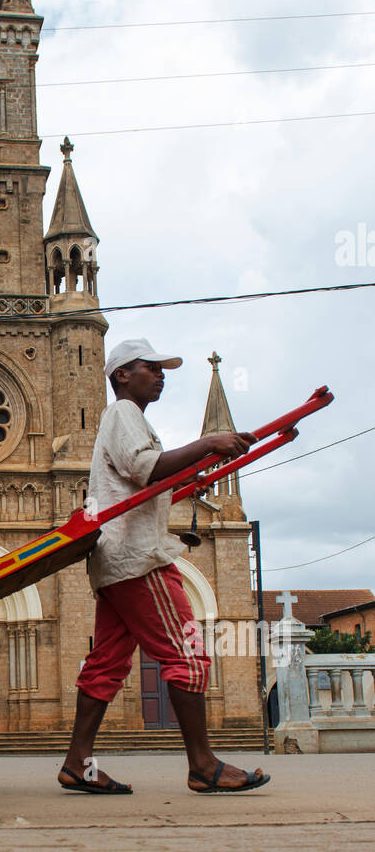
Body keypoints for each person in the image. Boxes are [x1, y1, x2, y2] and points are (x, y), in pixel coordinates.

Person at [59, 337, 270, 795]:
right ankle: (203, 764)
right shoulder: (123, 414)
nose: (160, 374)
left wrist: (195, 468)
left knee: (106, 663)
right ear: (121, 374)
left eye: (162, 369)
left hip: (116, 562)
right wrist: (208, 443)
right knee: (187, 651)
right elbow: (145, 468)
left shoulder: (129, 420)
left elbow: (147, 476)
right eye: (149, 367)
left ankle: (78, 762)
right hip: (138, 559)